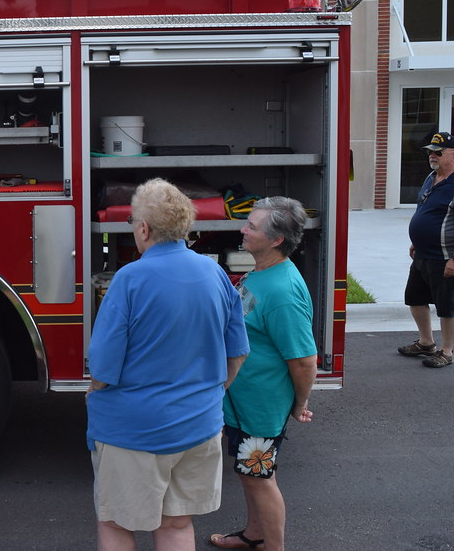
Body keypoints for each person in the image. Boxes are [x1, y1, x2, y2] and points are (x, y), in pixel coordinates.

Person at [87, 178, 249, 551]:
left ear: (143, 228)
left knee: (115, 523)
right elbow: (237, 352)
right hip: (200, 426)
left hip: (134, 431)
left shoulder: (129, 278)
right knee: (176, 525)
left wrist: (94, 392)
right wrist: (209, 394)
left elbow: (103, 369)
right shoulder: (216, 274)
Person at [210, 196, 318, 551]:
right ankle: (254, 535)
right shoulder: (265, 272)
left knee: (260, 478)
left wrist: (299, 403)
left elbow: (303, 360)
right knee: (250, 472)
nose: (243, 229)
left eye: (252, 226)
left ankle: (273, 546)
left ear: (276, 240)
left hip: (260, 406)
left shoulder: (284, 291)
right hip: (244, 402)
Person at [397, 131, 454, 368]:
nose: (432, 156)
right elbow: (424, 209)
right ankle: (426, 342)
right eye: (430, 151)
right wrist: (416, 240)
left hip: (444, 257)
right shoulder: (431, 177)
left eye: (438, 152)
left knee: (446, 305)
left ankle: (447, 350)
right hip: (422, 253)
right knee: (414, 298)